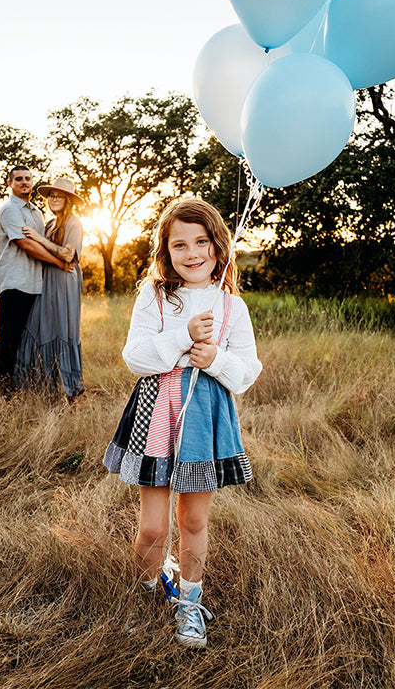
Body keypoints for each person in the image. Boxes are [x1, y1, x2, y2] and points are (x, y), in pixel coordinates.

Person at [103, 197, 262, 650]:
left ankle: (190, 603)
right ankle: (146, 593)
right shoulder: (155, 296)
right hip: (156, 413)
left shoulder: (233, 308)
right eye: (179, 245)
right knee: (153, 527)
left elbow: (247, 374)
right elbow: (135, 358)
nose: (192, 253)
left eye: (201, 242)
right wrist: (182, 336)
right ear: (166, 252)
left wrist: (215, 359)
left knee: (192, 519)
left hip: (204, 418)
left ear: (217, 245)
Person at [0, 165, 67, 397]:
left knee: (29, 342)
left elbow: (42, 241)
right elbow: (27, 244)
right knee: (9, 340)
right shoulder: (9, 210)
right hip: (15, 285)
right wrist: (58, 263)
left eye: (28, 178)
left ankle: (24, 389)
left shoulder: (36, 212)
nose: (24, 182)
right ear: (10, 184)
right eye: (19, 179)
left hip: (35, 286)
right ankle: (1, 394)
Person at [13, 176, 84, 400]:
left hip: (65, 280)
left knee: (62, 330)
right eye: (51, 195)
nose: (54, 199)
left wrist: (38, 238)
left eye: (59, 196)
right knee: (38, 327)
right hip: (48, 278)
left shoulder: (74, 222)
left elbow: (68, 254)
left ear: (67, 199)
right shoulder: (50, 224)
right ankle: (43, 386)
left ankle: (68, 388)